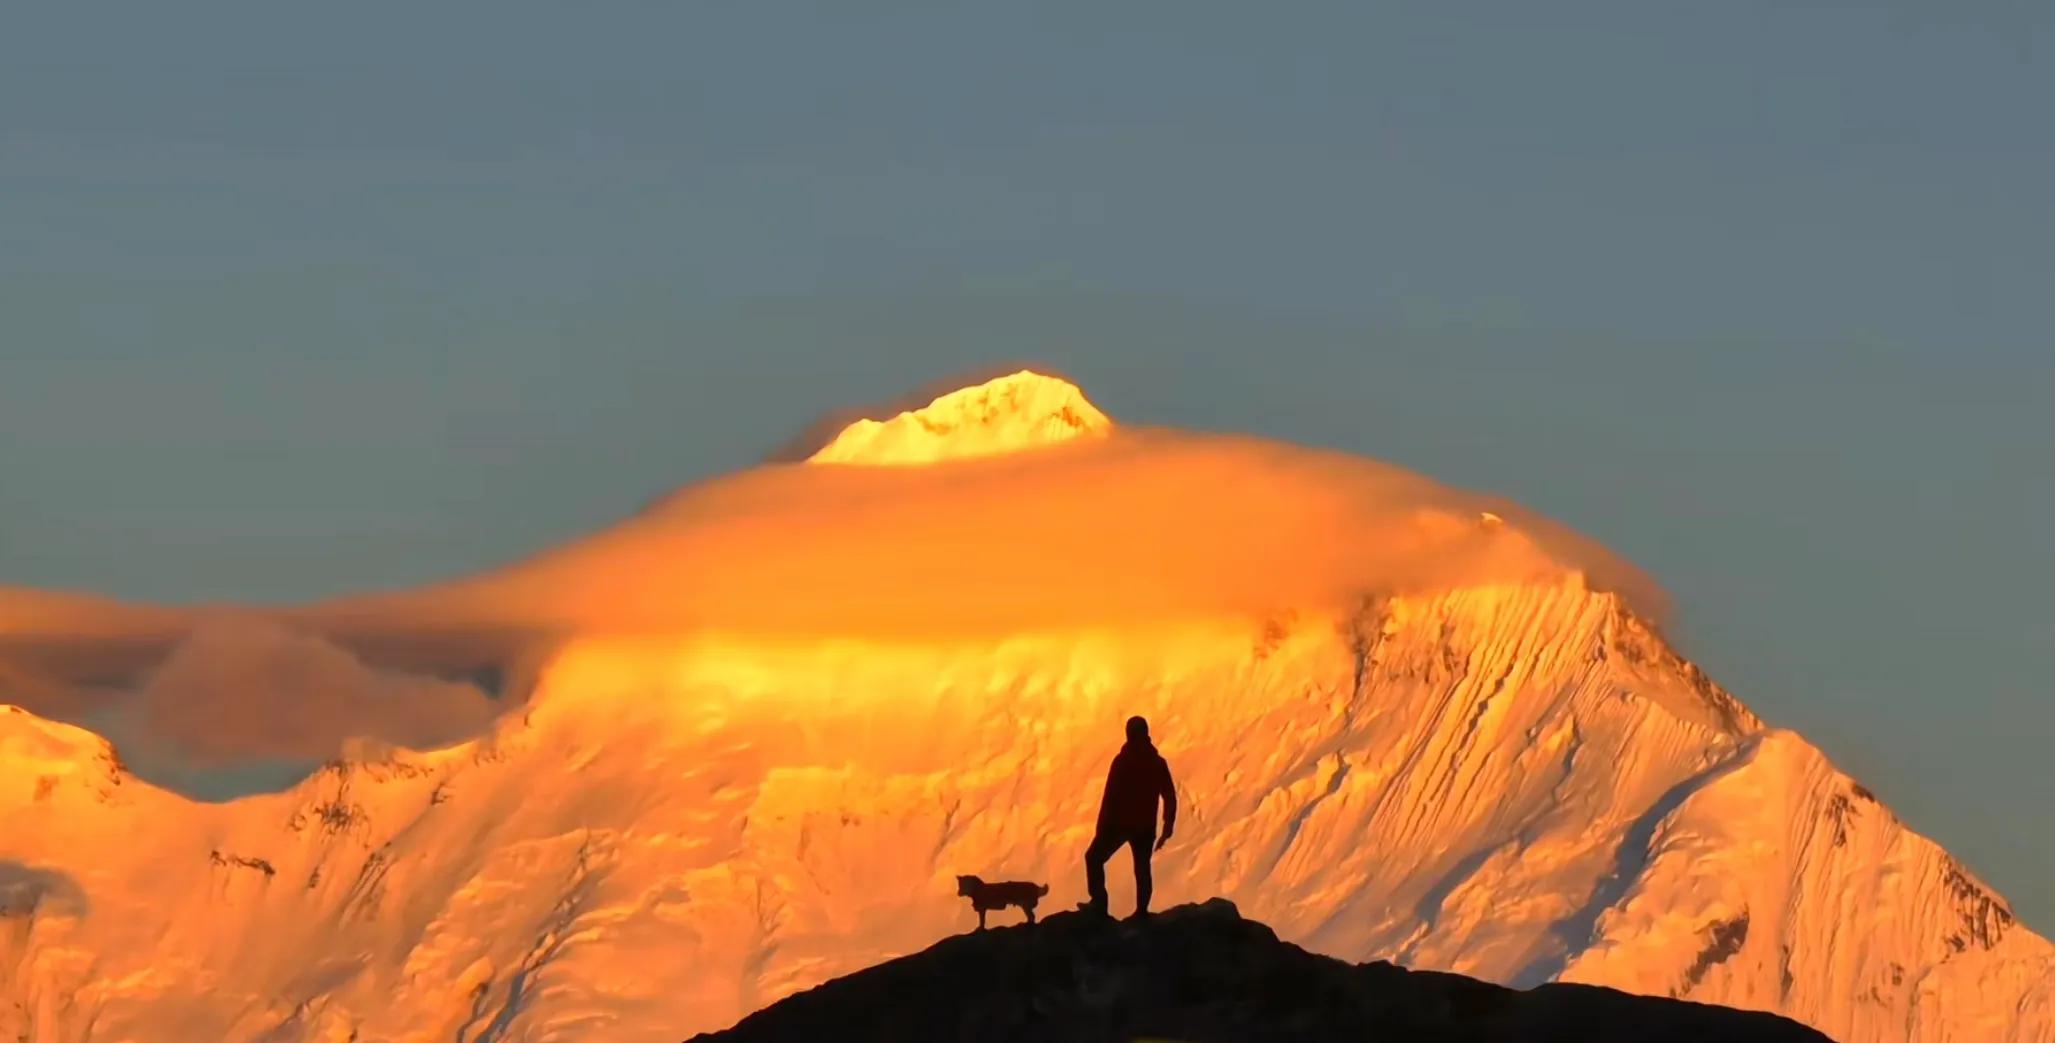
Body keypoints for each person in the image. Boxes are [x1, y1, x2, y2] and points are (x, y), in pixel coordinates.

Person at [1080, 715, 1178, 918]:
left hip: (1119, 825)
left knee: (1094, 858)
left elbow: (1110, 797)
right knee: (1142, 868)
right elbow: (1169, 795)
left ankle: (1099, 904)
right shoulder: (1156, 762)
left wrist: (1102, 828)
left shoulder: (1123, 761)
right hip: (1145, 827)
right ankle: (1141, 912)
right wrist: (1168, 824)